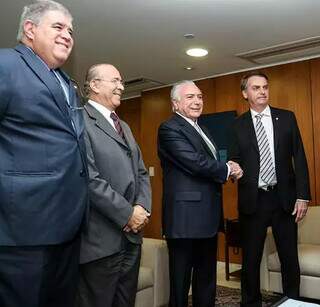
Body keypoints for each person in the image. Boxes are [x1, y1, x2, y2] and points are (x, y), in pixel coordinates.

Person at [0, 1, 88, 307]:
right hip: (23, 228)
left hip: (68, 227)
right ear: (29, 29)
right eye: (58, 27)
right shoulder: (6, 64)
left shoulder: (66, 82)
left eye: (71, 31)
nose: (67, 35)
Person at [228, 71, 311, 306]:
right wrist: (234, 168)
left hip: (283, 198)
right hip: (253, 200)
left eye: (265, 87)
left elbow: (300, 157)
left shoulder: (287, 118)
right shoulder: (237, 125)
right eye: (256, 88)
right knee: (251, 261)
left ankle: (292, 302)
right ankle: (250, 303)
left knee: (289, 258)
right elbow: (234, 158)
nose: (262, 91)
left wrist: (303, 196)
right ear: (245, 93)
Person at [157, 80, 242, 307]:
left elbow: (209, 162)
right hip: (185, 221)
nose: (197, 101)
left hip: (207, 219)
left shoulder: (202, 129)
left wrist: (228, 166)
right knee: (180, 285)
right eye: (190, 97)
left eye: (200, 96)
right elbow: (194, 162)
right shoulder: (170, 128)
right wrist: (227, 169)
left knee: (206, 282)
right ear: (175, 104)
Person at [77, 63, 152, 307]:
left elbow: (141, 171)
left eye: (122, 81)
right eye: (115, 81)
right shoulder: (79, 120)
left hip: (132, 238)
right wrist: (127, 214)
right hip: (101, 240)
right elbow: (90, 178)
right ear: (95, 85)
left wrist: (141, 207)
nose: (121, 86)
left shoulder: (125, 127)